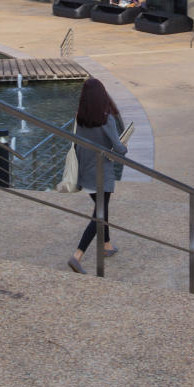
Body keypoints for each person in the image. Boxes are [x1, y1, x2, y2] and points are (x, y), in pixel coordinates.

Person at [67, 78, 127, 274]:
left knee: (101, 208)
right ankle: (78, 255)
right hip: (102, 173)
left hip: (85, 173)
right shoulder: (106, 118)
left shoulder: (80, 117)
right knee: (99, 215)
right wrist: (124, 145)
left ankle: (107, 245)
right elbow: (118, 148)